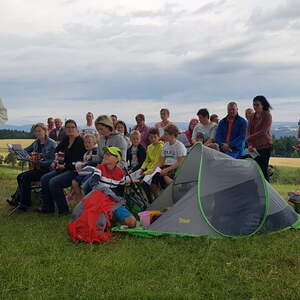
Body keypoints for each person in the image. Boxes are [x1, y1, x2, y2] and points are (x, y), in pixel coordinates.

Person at [67, 147, 136, 243]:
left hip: (111, 202)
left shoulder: (120, 172)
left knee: (132, 222)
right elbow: (94, 184)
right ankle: (108, 223)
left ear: (116, 159)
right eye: (105, 154)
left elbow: (120, 189)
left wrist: (119, 201)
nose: (105, 156)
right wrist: (109, 193)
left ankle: (112, 221)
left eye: (109, 154)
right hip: (97, 201)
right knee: (94, 227)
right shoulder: (99, 168)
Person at [38, 120, 86, 215]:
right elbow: (57, 150)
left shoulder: (80, 141)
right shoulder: (66, 139)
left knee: (54, 182)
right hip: (63, 168)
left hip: (75, 171)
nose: (70, 129)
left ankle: (63, 210)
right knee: (44, 178)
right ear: (65, 129)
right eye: (68, 127)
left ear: (76, 128)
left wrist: (63, 165)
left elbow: (77, 162)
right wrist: (56, 160)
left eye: (72, 127)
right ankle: (48, 207)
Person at [13, 123, 56, 210]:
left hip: (48, 170)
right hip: (38, 169)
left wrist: (39, 162)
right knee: (19, 177)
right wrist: (15, 150)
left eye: (39, 131)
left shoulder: (52, 144)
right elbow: (25, 151)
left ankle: (25, 204)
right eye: (36, 131)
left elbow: (53, 161)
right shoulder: (36, 143)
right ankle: (21, 200)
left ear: (45, 131)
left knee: (25, 177)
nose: (37, 133)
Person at [152, 124, 186, 196]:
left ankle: (175, 191)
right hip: (165, 166)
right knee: (153, 181)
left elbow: (179, 163)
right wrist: (155, 168)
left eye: (166, 134)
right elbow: (161, 161)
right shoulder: (165, 145)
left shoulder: (180, 146)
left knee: (165, 176)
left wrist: (166, 170)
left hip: (175, 168)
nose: (164, 136)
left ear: (173, 135)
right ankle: (157, 199)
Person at [247, 95, 273, 181]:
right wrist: (250, 144)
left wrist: (249, 138)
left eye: (257, 105)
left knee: (263, 169)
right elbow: (249, 131)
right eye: (254, 105)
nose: (255, 107)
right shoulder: (252, 116)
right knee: (254, 169)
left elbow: (263, 131)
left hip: (265, 146)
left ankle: (267, 190)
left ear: (263, 105)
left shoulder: (267, 115)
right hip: (254, 148)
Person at [71, 134, 98, 201]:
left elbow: (94, 162)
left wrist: (83, 164)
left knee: (83, 182)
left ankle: (86, 200)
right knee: (74, 182)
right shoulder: (86, 153)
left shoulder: (95, 151)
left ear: (94, 143)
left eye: (89, 142)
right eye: (85, 142)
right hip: (85, 172)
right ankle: (80, 198)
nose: (86, 144)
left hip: (92, 172)